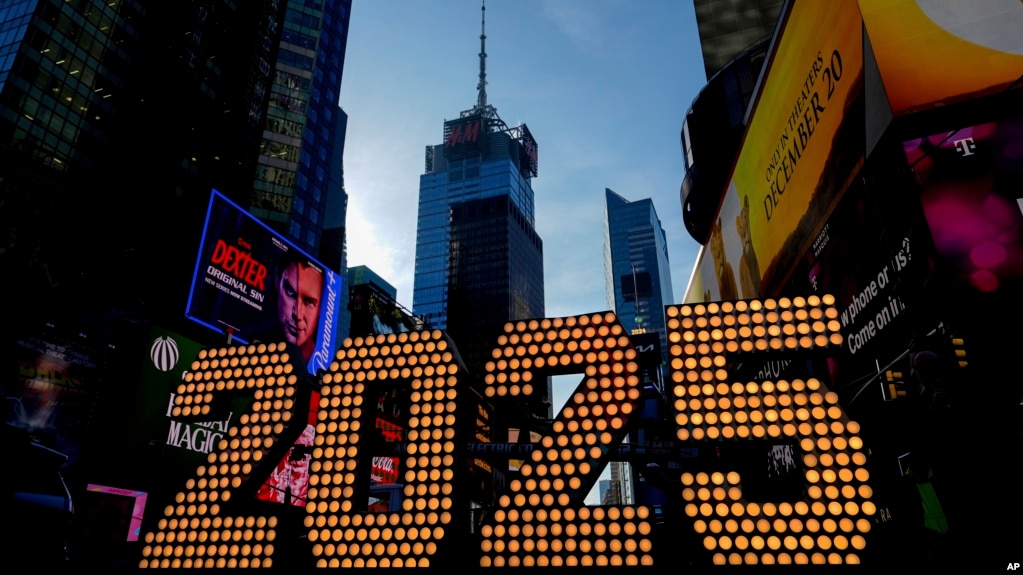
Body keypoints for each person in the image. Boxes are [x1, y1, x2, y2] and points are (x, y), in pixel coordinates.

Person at [274, 253, 324, 364]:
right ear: (277, 280)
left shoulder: (321, 364)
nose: (297, 313)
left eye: (309, 302)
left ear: (320, 308)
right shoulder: (248, 336)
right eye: (290, 292)